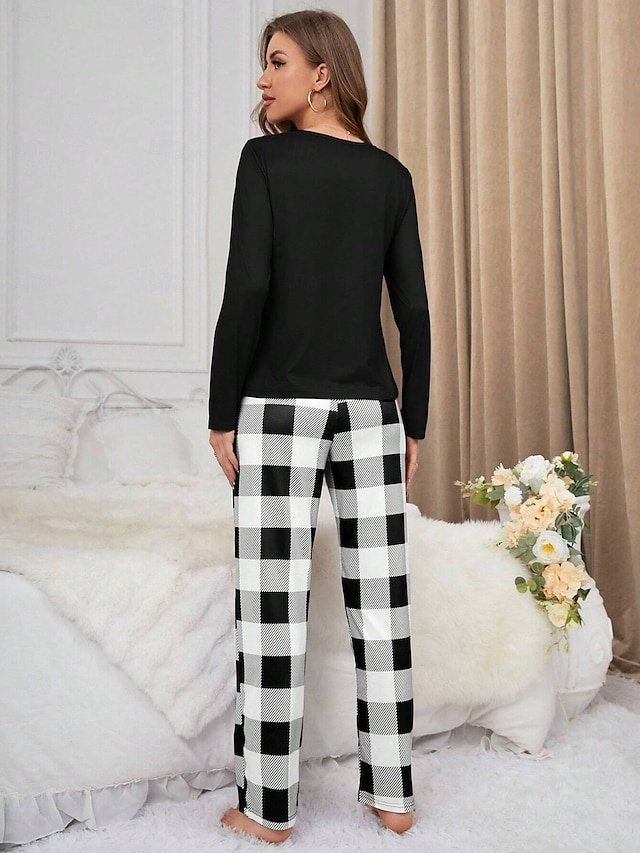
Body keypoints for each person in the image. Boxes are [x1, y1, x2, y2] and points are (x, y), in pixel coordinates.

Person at [208, 9, 430, 845]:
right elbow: (412, 309)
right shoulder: (390, 176)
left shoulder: (264, 162)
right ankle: (395, 795)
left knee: (274, 611)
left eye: (277, 61)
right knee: (383, 605)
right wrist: (414, 417)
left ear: (322, 73)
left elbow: (247, 290)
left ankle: (268, 809)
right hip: (373, 411)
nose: (263, 78)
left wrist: (220, 412)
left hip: (278, 408)